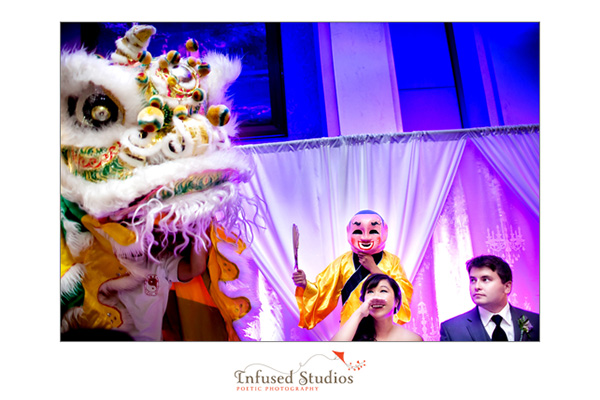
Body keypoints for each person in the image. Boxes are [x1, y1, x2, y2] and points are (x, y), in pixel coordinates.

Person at [292, 210, 413, 330]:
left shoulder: (392, 262)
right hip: (350, 330)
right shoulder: (342, 262)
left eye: (373, 231)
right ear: (348, 232)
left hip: (383, 330)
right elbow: (322, 291)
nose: (365, 237)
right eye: (358, 231)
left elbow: (402, 296)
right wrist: (305, 284)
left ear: (384, 231)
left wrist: (374, 269)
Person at [439, 255, 539, 341]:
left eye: (485, 279)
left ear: (507, 287)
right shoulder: (452, 329)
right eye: (473, 280)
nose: (477, 286)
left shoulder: (536, 321)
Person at [331, 273, 422, 341]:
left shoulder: (412, 339)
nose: (376, 296)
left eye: (383, 291)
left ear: (396, 301)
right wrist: (359, 313)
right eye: (370, 292)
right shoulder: (352, 334)